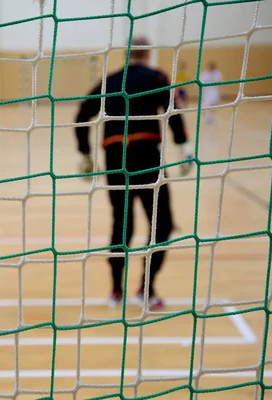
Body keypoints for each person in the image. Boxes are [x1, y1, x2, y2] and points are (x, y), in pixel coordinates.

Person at [74, 36, 194, 311]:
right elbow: (172, 109)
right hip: (146, 158)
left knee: (122, 225)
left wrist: (85, 154)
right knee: (161, 224)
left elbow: (81, 115)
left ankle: (116, 291)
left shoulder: (110, 81)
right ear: (148, 54)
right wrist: (183, 145)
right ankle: (146, 290)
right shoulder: (156, 77)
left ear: (127, 55)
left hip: (115, 160)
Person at [199, 61, 223, 126]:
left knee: (214, 105)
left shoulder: (217, 73)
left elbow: (220, 82)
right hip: (206, 92)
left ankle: (211, 116)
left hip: (214, 91)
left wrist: (221, 91)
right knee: (206, 105)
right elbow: (200, 83)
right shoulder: (204, 74)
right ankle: (208, 117)